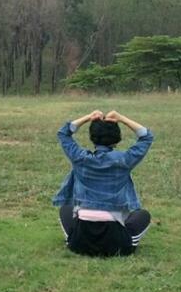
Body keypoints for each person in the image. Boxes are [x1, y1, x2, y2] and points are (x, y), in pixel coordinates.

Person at [52, 110, 154, 256]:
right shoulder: (124, 160)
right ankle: (126, 239)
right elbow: (146, 137)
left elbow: (63, 133)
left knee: (66, 209)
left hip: (79, 243)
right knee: (143, 215)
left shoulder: (80, 158)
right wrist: (121, 118)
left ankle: (73, 238)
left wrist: (88, 117)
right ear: (117, 138)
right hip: (117, 245)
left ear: (92, 137)